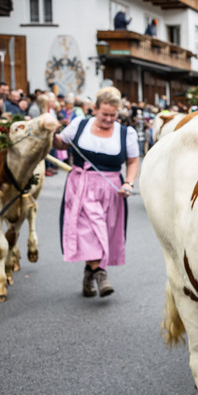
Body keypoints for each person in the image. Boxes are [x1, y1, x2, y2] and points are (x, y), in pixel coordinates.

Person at [53, 86, 140, 298]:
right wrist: (49, 131)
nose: (109, 119)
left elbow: (133, 161)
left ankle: (88, 272)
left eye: (113, 115)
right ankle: (101, 274)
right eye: (105, 114)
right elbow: (60, 144)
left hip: (111, 189)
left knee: (105, 233)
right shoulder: (79, 125)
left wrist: (128, 183)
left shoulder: (125, 133)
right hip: (80, 186)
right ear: (94, 109)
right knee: (90, 231)